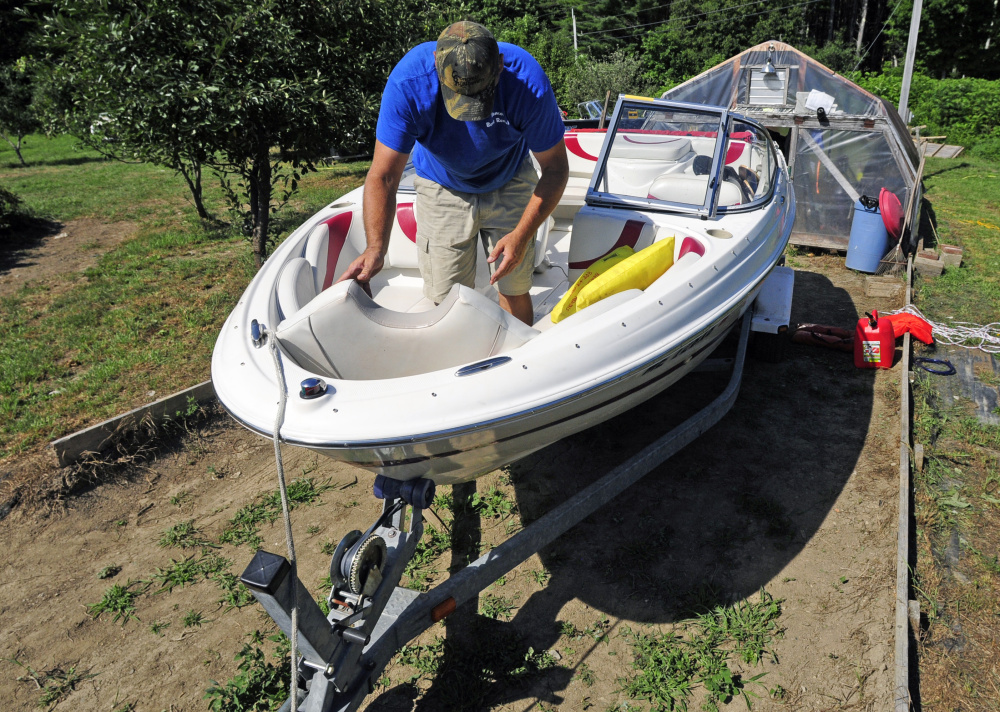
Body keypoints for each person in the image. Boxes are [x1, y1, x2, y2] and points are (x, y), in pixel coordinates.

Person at [337, 20, 569, 325]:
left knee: (514, 288)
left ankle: (518, 357)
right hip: (441, 182)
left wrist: (522, 235)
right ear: (435, 61)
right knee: (447, 300)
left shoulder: (527, 81)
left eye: (480, 94)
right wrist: (375, 248)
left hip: (509, 176)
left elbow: (555, 168)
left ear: (500, 65)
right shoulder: (408, 83)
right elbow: (383, 176)